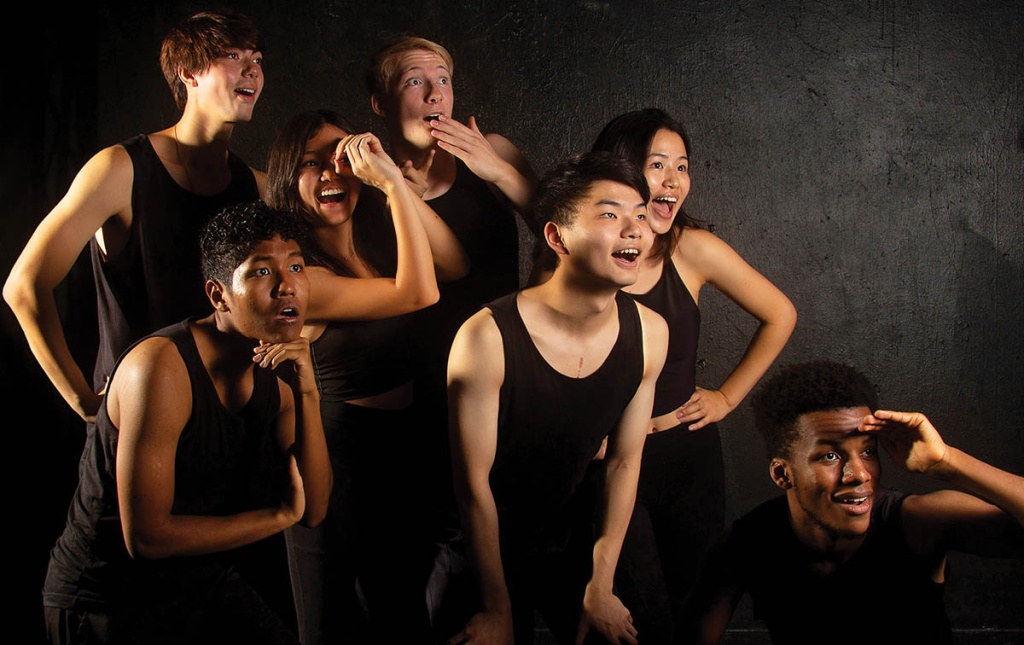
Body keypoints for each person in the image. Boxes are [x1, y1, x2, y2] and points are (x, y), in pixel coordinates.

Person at [41, 201, 333, 645]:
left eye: (296, 266)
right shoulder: (160, 368)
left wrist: (310, 394)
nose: (287, 287)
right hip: (105, 600)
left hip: (200, 584)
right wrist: (276, 516)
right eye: (261, 272)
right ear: (218, 296)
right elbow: (147, 537)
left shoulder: (280, 377)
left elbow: (313, 509)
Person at [563, 108, 795, 642]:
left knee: (699, 616)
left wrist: (728, 398)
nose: (673, 181)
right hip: (612, 466)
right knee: (640, 624)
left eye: (682, 166)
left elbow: (780, 313)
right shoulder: (583, 252)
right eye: (657, 165)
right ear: (620, 172)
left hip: (689, 456)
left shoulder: (692, 250)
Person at [444, 151, 669, 644]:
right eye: (609, 214)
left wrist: (602, 584)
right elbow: (472, 487)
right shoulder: (485, 337)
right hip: (480, 537)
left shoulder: (650, 333)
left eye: (639, 214)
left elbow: (623, 464)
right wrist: (496, 608)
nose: (634, 229)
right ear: (555, 236)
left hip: (572, 531)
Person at [5, 10, 267, 425]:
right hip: (137, 421)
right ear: (189, 73)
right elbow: (24, 285)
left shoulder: (257, 187)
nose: (252, 69)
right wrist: (83, 401)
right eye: (234, 56)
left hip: (227, 423)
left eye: (257, 59)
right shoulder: (119, 170)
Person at [264, 108, 467, 644]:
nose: (331, 175)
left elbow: (454, 263)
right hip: (335, 453)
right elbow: (420, 292)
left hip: (402, 451)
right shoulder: (302, 275)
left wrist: (388, 182)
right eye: (311, 166)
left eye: (339, 160)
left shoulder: (379, 244)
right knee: (329, 624)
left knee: (402, 611)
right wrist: (396, 186)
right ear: (289, 179)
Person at [679, 360, 1024, 645]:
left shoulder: (917, 522)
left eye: (868, 451)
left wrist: (946, 462)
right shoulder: (745, 544)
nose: (858, 474)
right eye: (830, 455)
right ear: (783, 474)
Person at [365, 36, 539, 546]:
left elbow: (569, 234)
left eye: (443, 81)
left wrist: (498, 171)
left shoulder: (494, 152)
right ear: (381, 103)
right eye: (415, 82)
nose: (435, 95)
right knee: (424, 537)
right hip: (415, 389)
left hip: (506, 377)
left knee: (509, 533)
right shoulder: (369, 179)